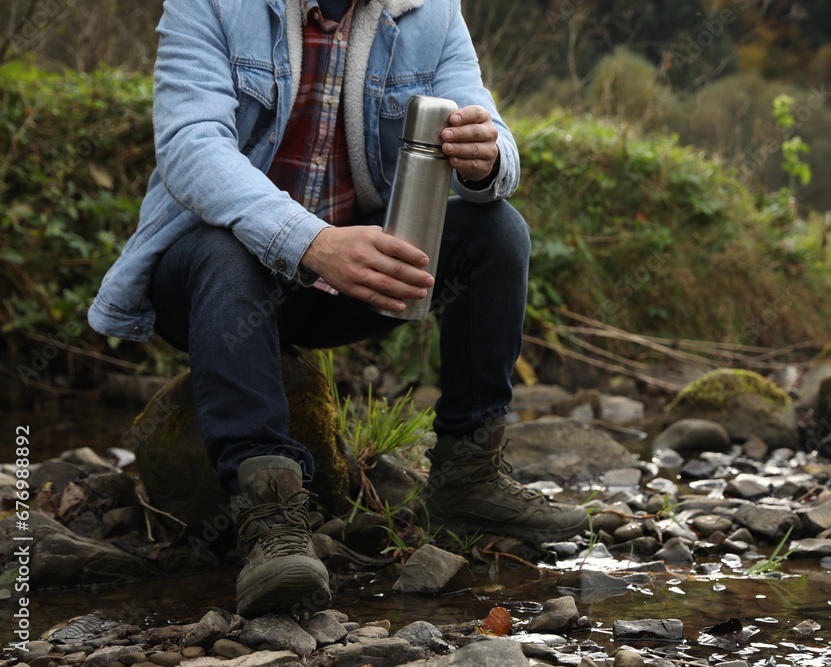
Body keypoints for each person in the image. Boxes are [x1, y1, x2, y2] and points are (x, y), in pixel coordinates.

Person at [88, 0, 587, 617]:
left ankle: (468, 473)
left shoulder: (431, 12)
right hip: (211, 283)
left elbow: (496, 143)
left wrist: (487, 160)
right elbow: (191, 147)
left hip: (353, 279)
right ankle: (270, 519)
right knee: (225, 247)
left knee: (496, 231)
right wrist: (312, 242)